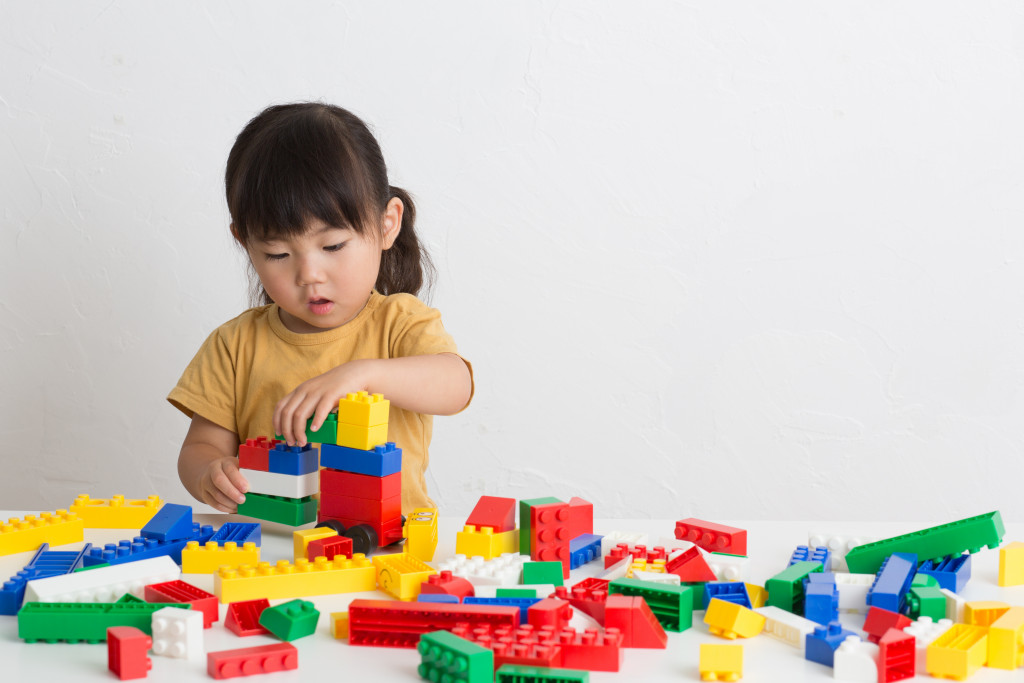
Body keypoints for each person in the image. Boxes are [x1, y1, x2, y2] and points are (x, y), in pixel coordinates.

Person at [168, 102, 473, 514]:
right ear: (244, 243)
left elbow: (456, 385)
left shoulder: (399, 323)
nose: (309, 273)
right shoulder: (235, 344)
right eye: (277, 254)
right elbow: (201, 447)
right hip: (274, 554)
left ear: (387, 224)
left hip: (388, 553)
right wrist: (210, 473)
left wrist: (363, 374)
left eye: (332, 246)